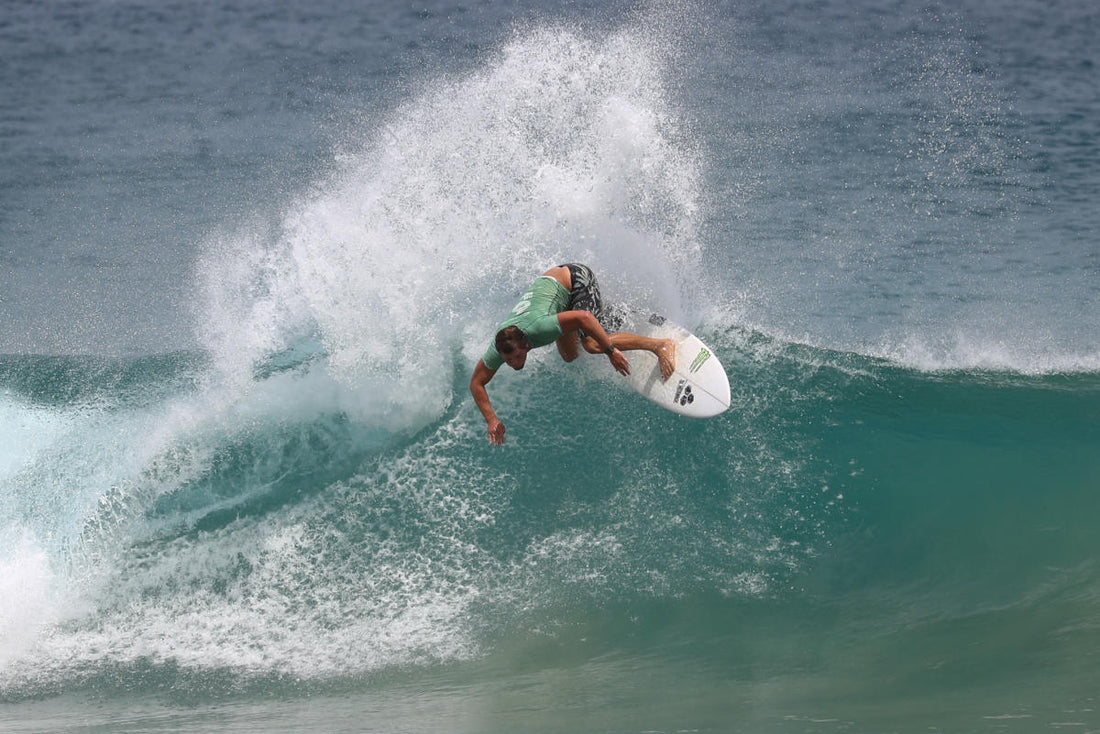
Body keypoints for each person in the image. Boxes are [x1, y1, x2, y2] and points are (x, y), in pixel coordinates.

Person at [469, 263, 676, 445]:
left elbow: (584, 317)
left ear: (526, 344)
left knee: (592, 345)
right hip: (557, 294)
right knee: (570, 355)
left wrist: (611, 352)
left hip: (577, 279)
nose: (514, 363)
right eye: (508, 360)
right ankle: (605, 317)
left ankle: (659, 345)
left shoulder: (539, 329)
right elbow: (477, 383)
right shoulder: (501, 345)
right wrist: (492, 420)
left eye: (516, 357)